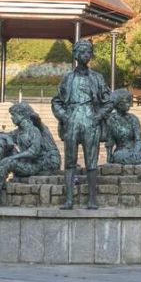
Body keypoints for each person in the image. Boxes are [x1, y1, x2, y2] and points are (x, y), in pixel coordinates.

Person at [50, 39, 110, 209]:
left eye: (88, 52)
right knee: (70, 161)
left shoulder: (97, 78)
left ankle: (92, 200)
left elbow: (108, 101)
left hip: (90, 118)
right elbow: (56, 101)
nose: (86, 55)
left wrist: (98, 116)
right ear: (75, 55)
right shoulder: (67, 78)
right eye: (82, 52)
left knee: (92, 161)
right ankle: (69, 200)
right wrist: (63, 116)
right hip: (72, 118)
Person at [0, 103, 61, 207]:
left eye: (14, 115)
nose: (12, 118)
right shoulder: (19, 132)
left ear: (22, 115)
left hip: (36, 165)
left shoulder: (34, 130)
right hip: (26, 163)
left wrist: (13, 157)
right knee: (2, 143)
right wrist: (6, 138)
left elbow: (34, 152)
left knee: (7, 161)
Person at [104, 89, 141, 165]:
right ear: (119, 104)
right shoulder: (111, 120)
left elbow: (139, 140)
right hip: (121, 151)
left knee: (137, 157)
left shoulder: (133, 119)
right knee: (123, 157)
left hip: (136, 150)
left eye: (129, 102)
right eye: (126, 102)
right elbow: (110, 141)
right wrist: (109, 157)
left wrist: (136, 152)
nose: (129, 104)